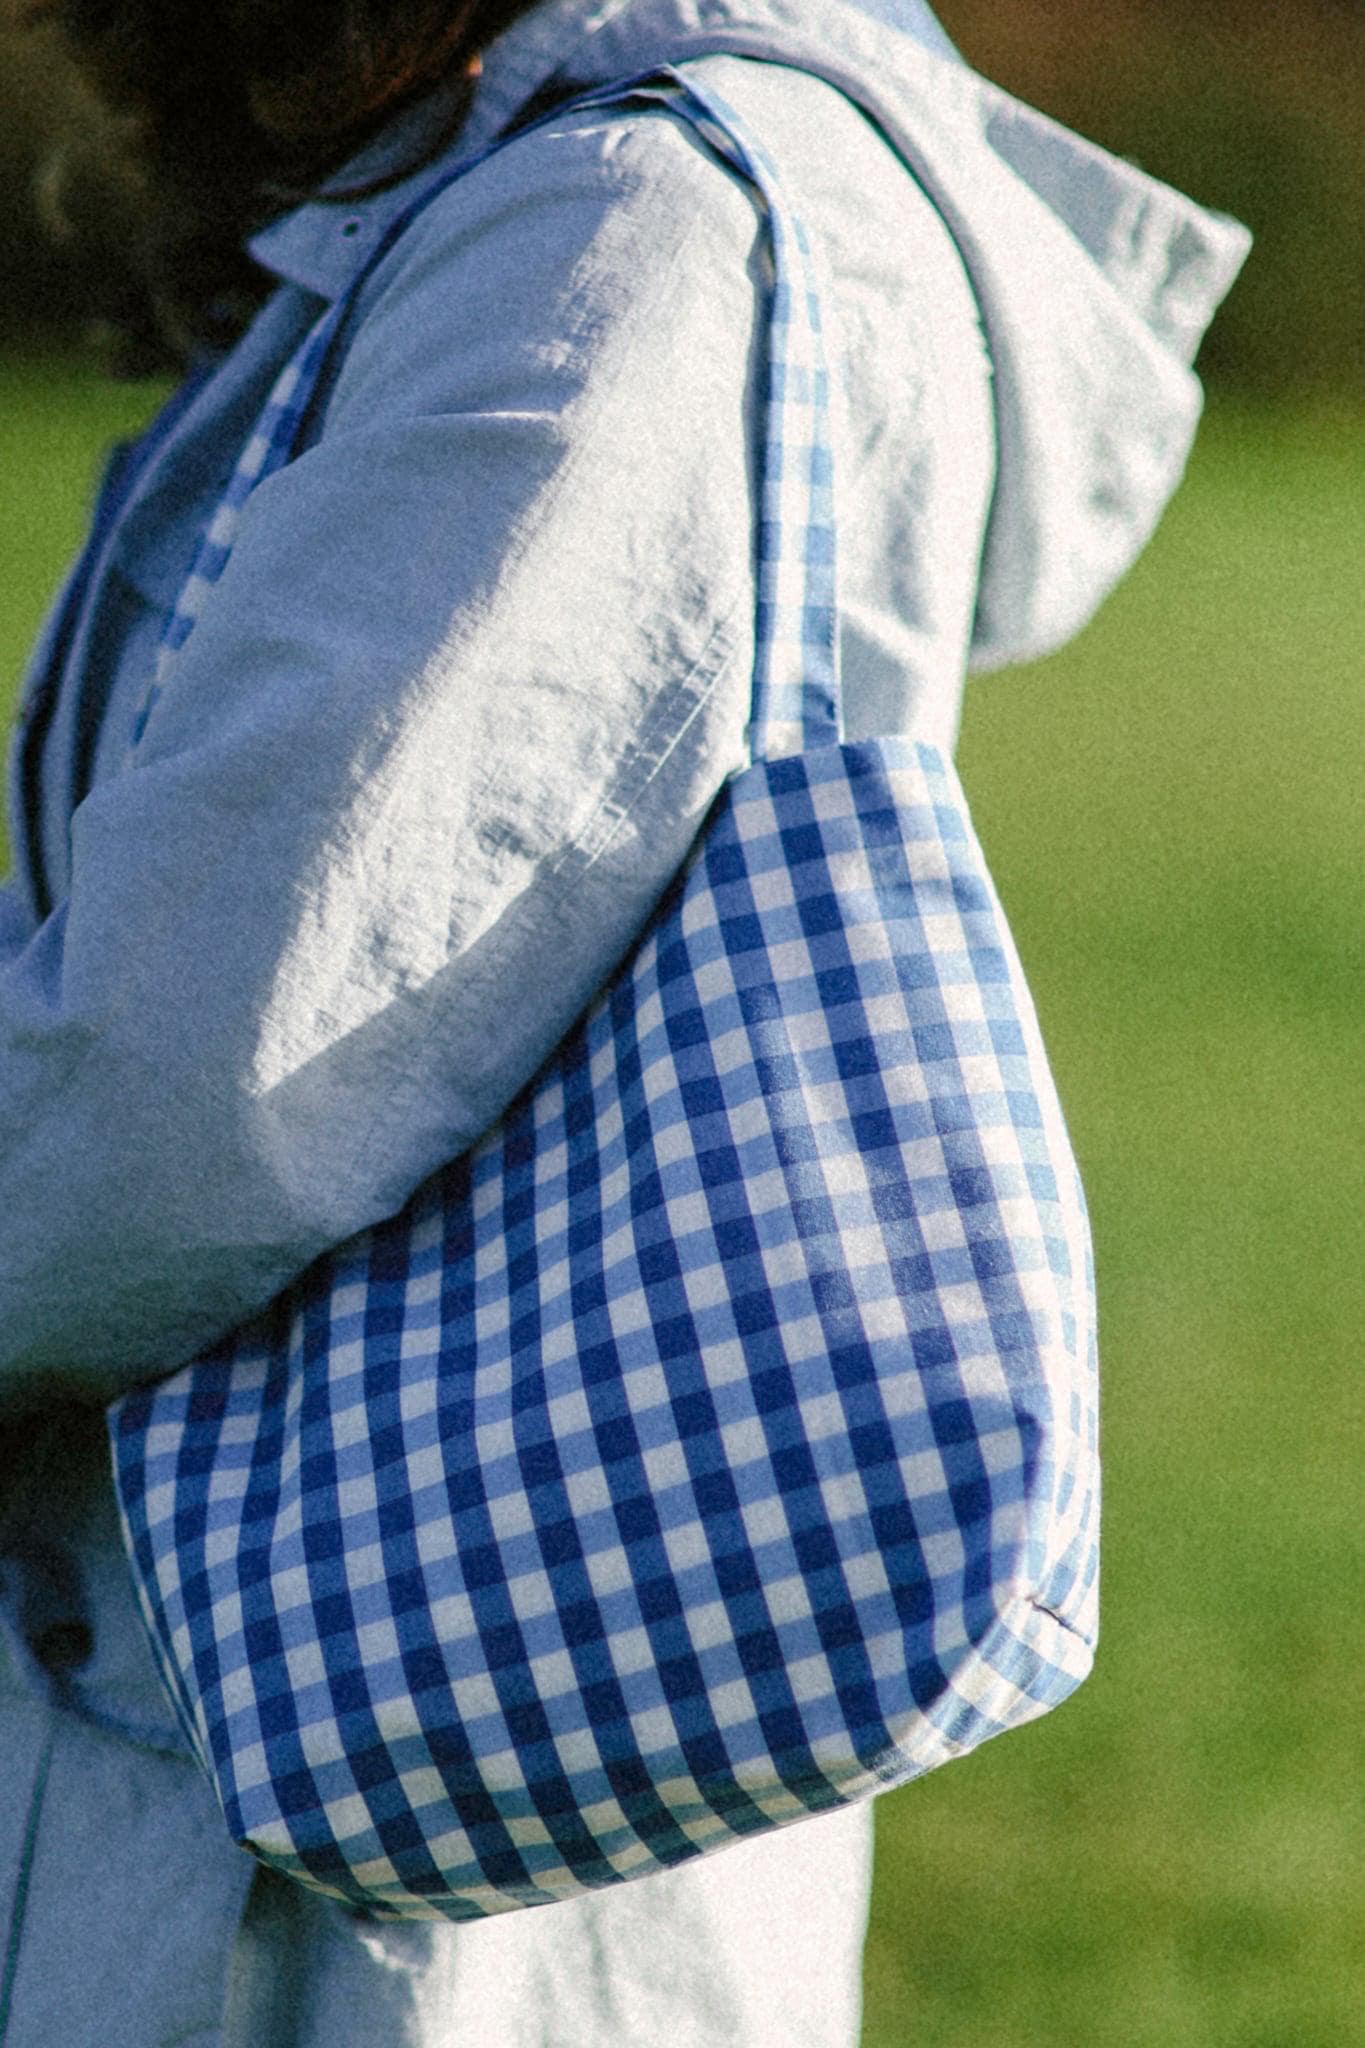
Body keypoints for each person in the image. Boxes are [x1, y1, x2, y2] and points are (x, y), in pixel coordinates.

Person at [0, 1, 1248, 2042]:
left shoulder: (624, 236)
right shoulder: (553, 198)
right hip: (342, 1712)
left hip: (343, 1843)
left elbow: (189, 1076)